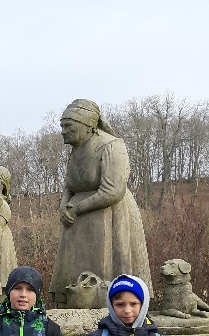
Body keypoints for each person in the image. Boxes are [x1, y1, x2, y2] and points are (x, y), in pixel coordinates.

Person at [49, 99, 151, 308]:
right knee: (74, 277)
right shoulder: (76, 150)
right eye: (62, 126)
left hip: (110, 215)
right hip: (77, 222)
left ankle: (112, 307)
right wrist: (63, 206)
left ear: (88, 125)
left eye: (69, 126)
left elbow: (112, 191)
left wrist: (76, 209)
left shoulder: (111, 146)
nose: (63, 131)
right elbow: (69, 186)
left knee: (108, 276)